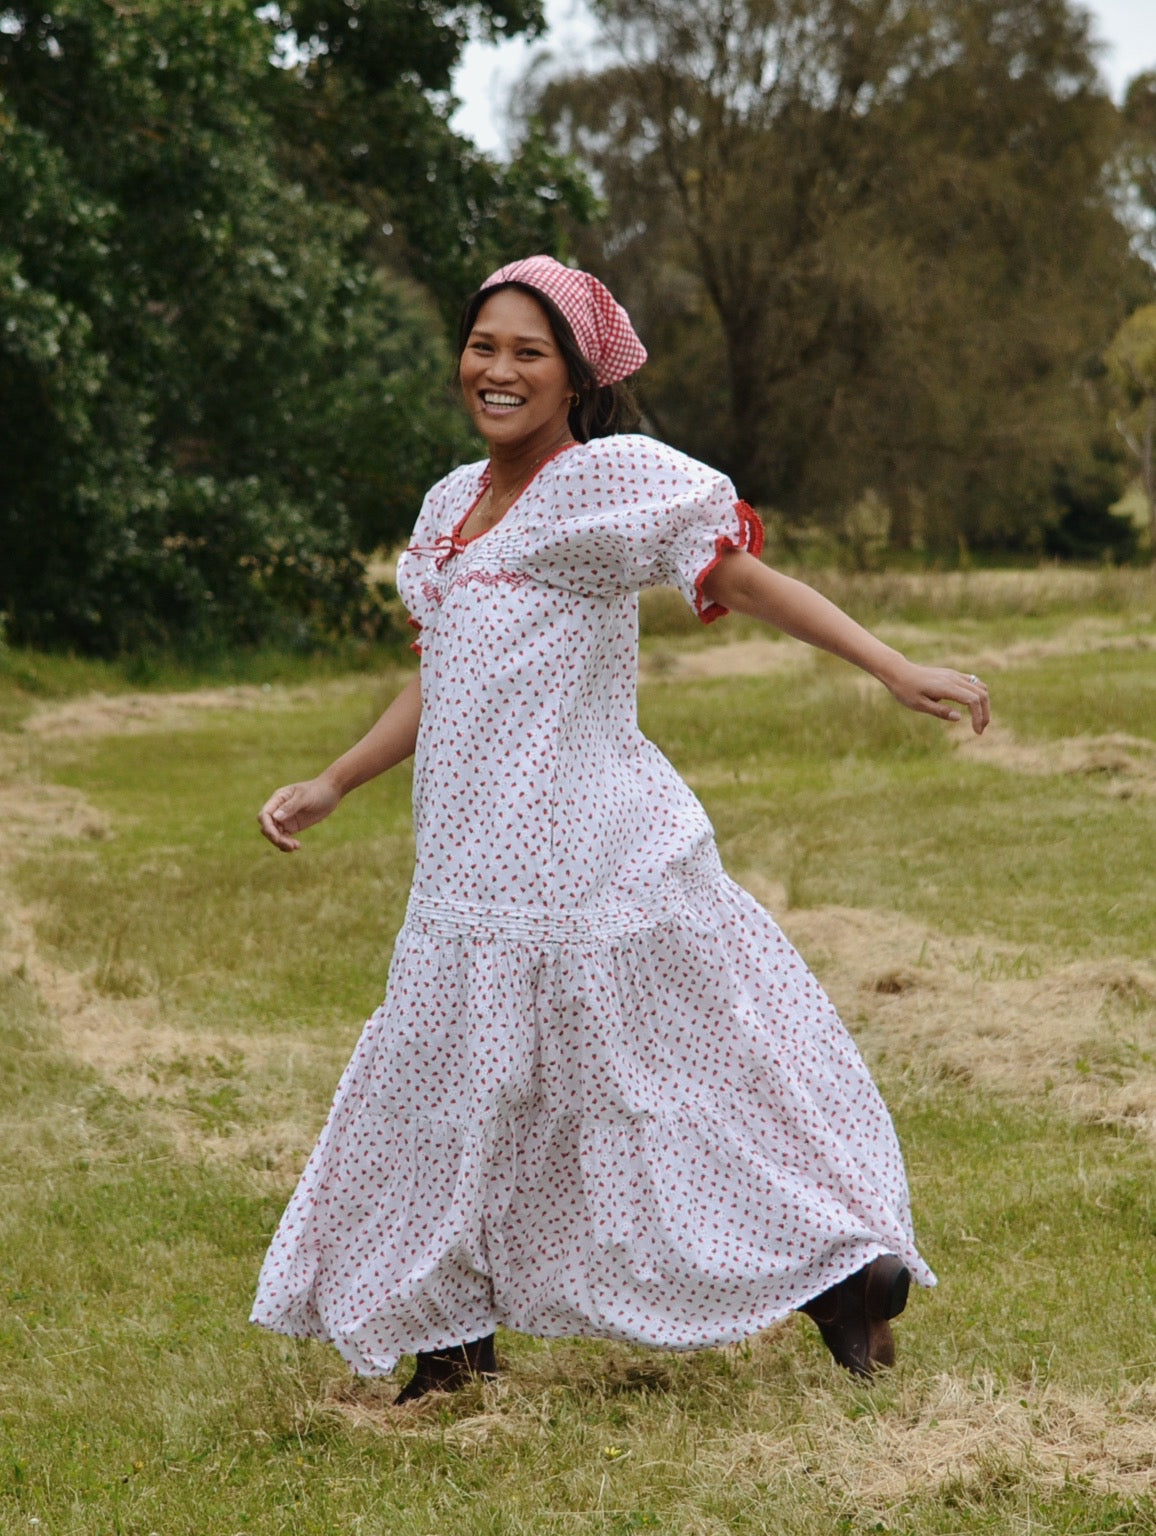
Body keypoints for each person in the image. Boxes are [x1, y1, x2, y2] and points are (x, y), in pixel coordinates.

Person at [251, 255, 990, 1402]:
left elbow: (738, 578)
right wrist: (335, 781)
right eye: (483, 345)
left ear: (577, 378)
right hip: (467, 866)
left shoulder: (603, 487)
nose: (497, 369)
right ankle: (452, 1339)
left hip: (584, 858)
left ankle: (840, 1276)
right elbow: (442, 675)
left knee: (653, 1089)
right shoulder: (449, 505)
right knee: (459, 1078)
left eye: (527, 353)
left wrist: (891, 666)